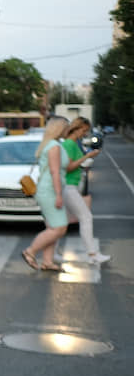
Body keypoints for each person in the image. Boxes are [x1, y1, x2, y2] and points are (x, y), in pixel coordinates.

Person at [21, 116, 72, 271]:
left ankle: (47, 262)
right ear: (60, 128)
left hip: (47, 189)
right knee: (60, 228)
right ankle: (30, 251)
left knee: (52, 227)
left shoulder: (52, 144)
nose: (68, 130)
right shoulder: (54, 146)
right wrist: (58, 195)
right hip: (49, 191)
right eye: (66, 127)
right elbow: (55, 172)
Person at [60, 117, 109, 264]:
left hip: (72, 185)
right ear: (77, 128)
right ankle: (92, 255)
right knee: (86, 217)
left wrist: (87, 158)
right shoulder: (69, 144)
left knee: (61, 224)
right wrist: (87, 156)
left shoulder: (74, 143)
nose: (85, 134)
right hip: (69, 186)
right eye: (84, 131)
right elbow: (68, 166)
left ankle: (52, 254)